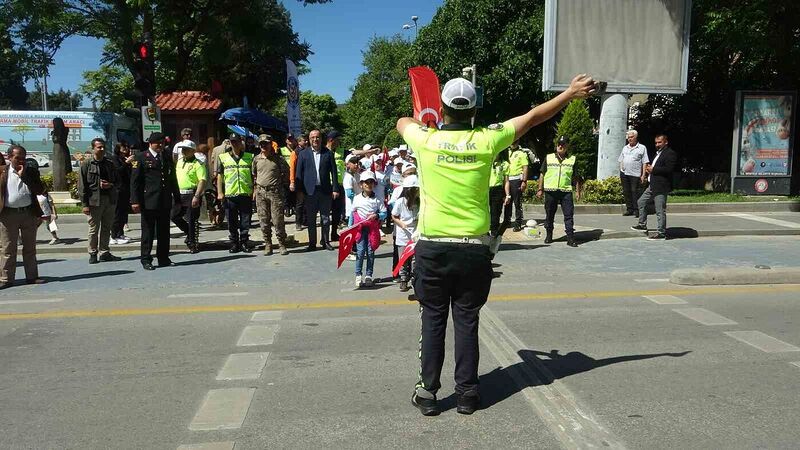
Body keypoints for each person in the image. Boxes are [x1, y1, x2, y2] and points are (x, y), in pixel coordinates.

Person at [397, 73, 596, 416]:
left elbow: (403, 121)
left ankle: (428, 393)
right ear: (474, 111)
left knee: (432, 319)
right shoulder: (488, 139)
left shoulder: (424, 139)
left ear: (443, 109)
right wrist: (570, 93)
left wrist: (424, 120)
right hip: (473, 248)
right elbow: (535, 116)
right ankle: (468, 394)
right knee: (467, 320)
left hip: (433, 246)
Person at [131, 132, 181, 271]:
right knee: (148, 232)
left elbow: (172, 178)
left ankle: (163, 257)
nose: (160, 145)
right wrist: (135, 201)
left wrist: (176, 197)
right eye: (157, 143)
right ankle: (146, 259)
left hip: (164, 200)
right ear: (150, 143)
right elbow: (135, 181)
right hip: (149, 200)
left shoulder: (166, 156)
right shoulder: (141, 157)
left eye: (162, 143)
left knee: (164, 231)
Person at [0, 145, 46, 289]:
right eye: (17, 157)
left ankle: (32, 276)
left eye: (23, 158)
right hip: (8, 214)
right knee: (7, 248)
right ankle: (6, 279)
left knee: (30, 248)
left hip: (28, 213)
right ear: (9, 157)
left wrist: (24, 175)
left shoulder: (31, 172)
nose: (21, 161)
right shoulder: (2, 172)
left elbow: (40, 190)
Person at [78, 137, 122, 264]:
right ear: (93, 149)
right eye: (99, 147)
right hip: (94, 201)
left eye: (103, 147)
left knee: (106, 227)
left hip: (109, 199)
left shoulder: (109, 164)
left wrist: (110, 185)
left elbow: (118, 181)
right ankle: (92, 253)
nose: (102, 149)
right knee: (94, 228)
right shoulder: (87, 164)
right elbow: (82, 186)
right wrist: (85, 204)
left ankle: (104, 252)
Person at [295, 129, 339, 252]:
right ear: (309, 140)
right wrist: (299, 192)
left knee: (325, 218)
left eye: (317, 137)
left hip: (325, 190)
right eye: (313, 137)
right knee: (311, 218)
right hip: (309, 192)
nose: (315, 140)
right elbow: (299, 173)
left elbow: (334, 173)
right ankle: (312, 243)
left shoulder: (328, 153)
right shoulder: (303, 154)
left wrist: (335, 188)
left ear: (321, 139)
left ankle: (326, 242)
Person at [631, 134, 678, 240]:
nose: (657, 144)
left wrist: (653, 170)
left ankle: (661, 233)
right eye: (656, 142)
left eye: (659, 142)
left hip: (661, 186)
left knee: (660, 209)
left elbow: (669, 169)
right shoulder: (658, 154)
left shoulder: (670, 153)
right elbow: (655, 168)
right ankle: (642, 225)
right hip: (652, 184)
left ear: (666, 142)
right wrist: (649, 170)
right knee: (641, 202)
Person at [536, 136, 579, 247]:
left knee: (569, 215)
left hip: (566, 191)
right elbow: (542, 174)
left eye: (563, 144)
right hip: (551, 190)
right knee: (549, 215)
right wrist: (540, 189)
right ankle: (549, 235)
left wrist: (578, 191)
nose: (560, 146)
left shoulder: (572, 159)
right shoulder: (549, 157)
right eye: (559, 144)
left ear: (567, 146)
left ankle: (570, 238)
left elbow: (575, 177)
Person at [217, 134, 255, 253]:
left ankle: (244, 242)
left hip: (245, 193)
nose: (235, 144)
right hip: (230, 194)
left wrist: (254, 191)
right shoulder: (223, 157)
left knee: (245, 220)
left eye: (237, 141)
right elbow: (219, 176)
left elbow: (254, 176)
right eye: (232, 142)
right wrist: (220, 192)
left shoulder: (250, 157)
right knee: (231, 221)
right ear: (229, 143)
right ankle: (234, 243)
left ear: (241, 142)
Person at [253, 134, 289, 256]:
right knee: (263, 220)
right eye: (261, 144)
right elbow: (254, 175)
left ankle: (281, 243)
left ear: (270, 144)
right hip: (261, 193)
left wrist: (281, 186)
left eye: (266, 143)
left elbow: (286, 173)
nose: (264, 146)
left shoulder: (278, 159)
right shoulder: (256, 159)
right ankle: (268, 243)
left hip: (275, 192)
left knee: (278, 220)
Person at [351, 171, 386, 288]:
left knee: (370, 252)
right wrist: (350, 227)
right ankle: (358, 274)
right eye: (366, 182)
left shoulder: (377, 199)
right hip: (360, 229)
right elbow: (353, 213)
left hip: (372, 229)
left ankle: (369, 275)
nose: (369, 185)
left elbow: (384, 213)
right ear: (361, 184)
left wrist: (376, 216)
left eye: (371, 182)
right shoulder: (356, 198)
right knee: (360, 252)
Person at [175, 140, 207, 254]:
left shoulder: (198, 163)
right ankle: (188, 233)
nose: (183, 151)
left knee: (192, 220)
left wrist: (197, 196)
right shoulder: (179, 161)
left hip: (191, 193)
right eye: (182, 149)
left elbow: (202, 180)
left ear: (193, 151)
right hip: (179, 193)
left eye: (186, 149)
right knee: (174, 216)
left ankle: (192, 243)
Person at [392, 175, 419, 292]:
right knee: (404, 258)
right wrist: (401, 224)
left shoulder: (419, 202)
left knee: (415, 259)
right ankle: (403, 279)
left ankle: (414, 279)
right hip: (403, 233)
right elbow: (394, 215)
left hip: (415, 233)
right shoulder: (400, 202)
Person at [618, 129, 649, 217]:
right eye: (628, 137)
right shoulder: (625, 147)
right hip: (624, 173)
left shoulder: (642, 148)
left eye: (631, 137)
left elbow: (645, 162)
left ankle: (637, 210)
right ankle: (629, 209)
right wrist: (621, 169)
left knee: (634, 191)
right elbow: (621, 159)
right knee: (626, 191)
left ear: (636, 137)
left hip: (635, 174)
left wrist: (643, 175)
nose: (629, 139)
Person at [111, 141, 133, 244]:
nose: (126, 148)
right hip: (118, 189)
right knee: (117, 213)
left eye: (126, 147)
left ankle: (120, 233)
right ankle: (113, 235)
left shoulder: (124, 158)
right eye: (123, 147)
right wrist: (127, 163)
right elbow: (118, 171)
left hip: (126, 188)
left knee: (124, 212)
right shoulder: (114, 159)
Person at [327, 130, 347, 241]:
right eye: (338, 139)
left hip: (339, 186)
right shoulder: (323, 151)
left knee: (336, 211)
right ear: (331, 140)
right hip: (326, 186)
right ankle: (325, 237)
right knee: (325, 213)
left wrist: (370, 151)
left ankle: (333, 233)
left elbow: (354, 153)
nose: (339, 141)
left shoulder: (341, 151)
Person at [489, 148, 512, 238]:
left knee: (496, 213)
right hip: (485, 189)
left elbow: (506, 181)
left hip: (497, 189)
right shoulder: (487, 162)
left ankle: (494, 233)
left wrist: (507, 195)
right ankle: (485, 232)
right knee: (484, 212)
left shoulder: (505, 164)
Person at [508, 142, 529, 232]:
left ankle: (518, 223)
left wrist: (524, 181)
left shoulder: (522, 153)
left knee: (517, 203)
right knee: (507, 201)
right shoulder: (507, 152)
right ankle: (507, 221)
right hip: (507, 180)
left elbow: (525, 167)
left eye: (515, 141)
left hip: (517, 180)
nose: (513, 143)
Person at [291, 134, 307, 230]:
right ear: (299, 142)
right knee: (300, 203)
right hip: (299, 181)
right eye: (304, 140)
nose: (306, 142)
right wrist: (292, 181)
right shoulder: (295, 153)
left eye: (306, 140)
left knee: (307, 203)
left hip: (308, 181)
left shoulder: (308, 151)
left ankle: (306, 220)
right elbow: (292, 168)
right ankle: (298, 223)